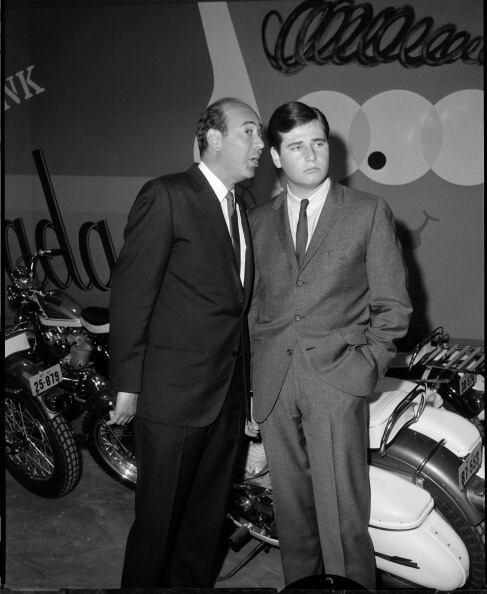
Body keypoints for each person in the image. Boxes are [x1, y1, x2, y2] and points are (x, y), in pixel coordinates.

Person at [247, 101, 412, 590]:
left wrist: (366, 367)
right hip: (274, 381)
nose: (311, 155)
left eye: (318, 143)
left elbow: (393, 306)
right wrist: (251, 385)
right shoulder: (256, 221)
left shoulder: (367, 211)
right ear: (276, 156)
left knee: (343, 515)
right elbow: (252, 308)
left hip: (338, 379)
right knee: (291, 513)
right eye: (297, 146)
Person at [108, 97, 264, 588]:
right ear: (213, 138)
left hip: (226, 398)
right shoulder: (167, 195)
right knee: (159, 526)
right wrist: (128, 383)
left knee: (205, 524)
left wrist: (249, 393)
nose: (260, 144)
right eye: (249, 131)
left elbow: (236, 310)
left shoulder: (242, 206)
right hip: (172, 397)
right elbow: (132, 294)